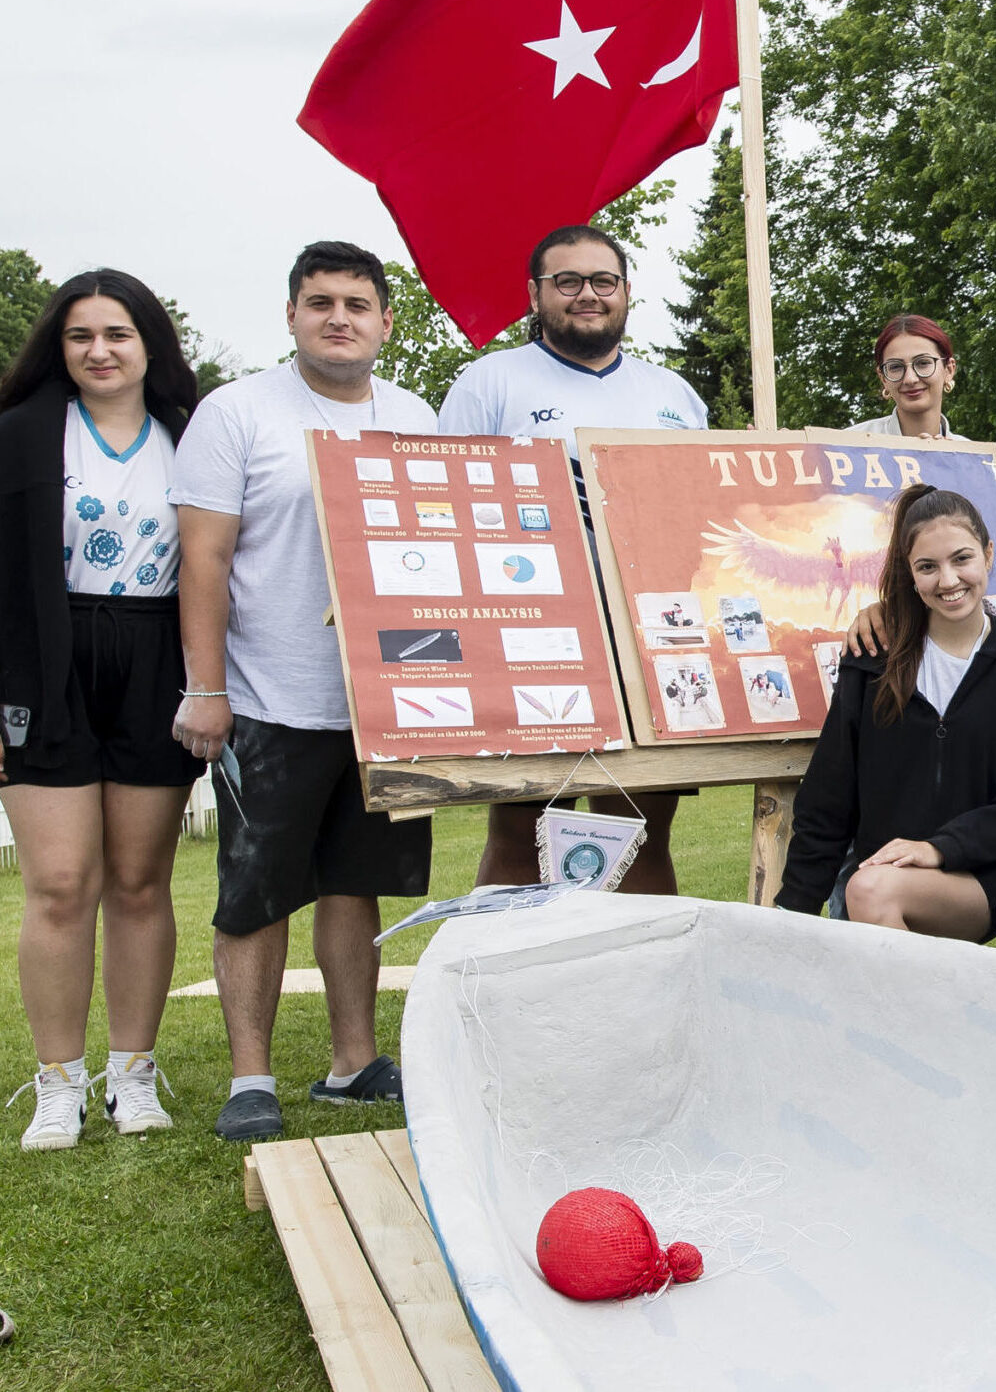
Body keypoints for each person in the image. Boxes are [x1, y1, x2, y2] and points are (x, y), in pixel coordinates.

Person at [171, 243, 439, 1142]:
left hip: (384, 702)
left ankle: (352, 1063)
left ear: (385, 321)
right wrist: (205, 687)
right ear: (291, 314)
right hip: (267, 696)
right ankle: (251, 1078)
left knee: (355, 885)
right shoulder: (237, 411)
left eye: (357, 304)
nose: (338, 317)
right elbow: (203, 558)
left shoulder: (415, 417)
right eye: (319, 301)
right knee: (256, 892)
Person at [437, 224, 709, 894]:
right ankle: (510, 961)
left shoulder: (673, 394)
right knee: (521, 826)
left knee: (640, 828)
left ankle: (641, 964)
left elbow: (699, 521)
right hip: (534, 635)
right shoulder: (489, 382)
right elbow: (448, 512)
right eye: (568, 281)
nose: (588, 294)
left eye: (603, 280)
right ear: (536, 295)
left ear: (626, 292)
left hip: (648, 636)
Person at [0, 271, 205, 1150]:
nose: (99, 350)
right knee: (58, 883)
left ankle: (132, 1074)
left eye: (117, 333)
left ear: (149, 342)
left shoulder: (191, 434)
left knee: (138, 880)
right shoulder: (19, 433)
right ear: (59, 345)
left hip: (155, 656)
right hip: (43, 661)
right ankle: (57, 1084)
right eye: (80, 334)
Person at [777, 486, 996, 938]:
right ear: (910, 573)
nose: (948, 581)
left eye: (962, 559)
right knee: (868, 889)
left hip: (983, 878)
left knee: (870, 890)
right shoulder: (874, 657)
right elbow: (830, 793)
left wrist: (939, 848)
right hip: (882, 871)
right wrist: (795, 906)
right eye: (928, 567)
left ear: (989, 554)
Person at [859, 314, 971, 440]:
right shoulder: (849, 444)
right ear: (883, 377)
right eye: (896, 366)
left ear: (949, 370)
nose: (910, 379)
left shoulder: (971, 451)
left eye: (923, 363)